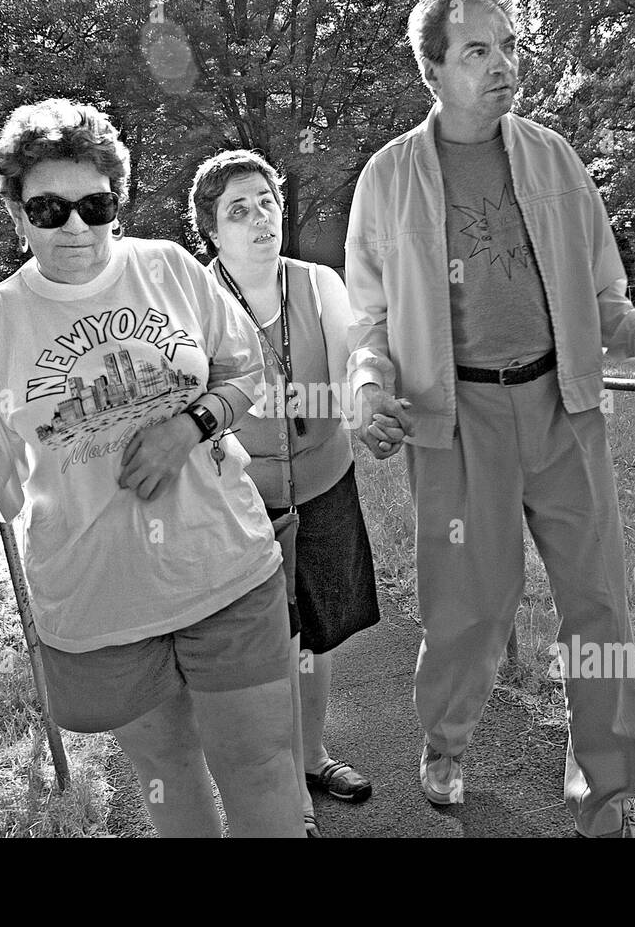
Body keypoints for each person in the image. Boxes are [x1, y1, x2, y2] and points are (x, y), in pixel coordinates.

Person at [344, 0, 635, 837]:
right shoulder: (387, 178)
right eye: (478, 51)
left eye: (510, 47)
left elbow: (602, 296)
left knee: (601, 608)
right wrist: (369, 387)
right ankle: (445, 740)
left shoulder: (555, 158)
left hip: (564, 408)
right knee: (469, 613)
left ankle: (609, 796)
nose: (504, 67)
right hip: (455, 423)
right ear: (432, 71)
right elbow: (367, 320)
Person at [0, 99, 303, 837]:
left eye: (94, 204)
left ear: (117, 204)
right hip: (101, 601)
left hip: (224, 567)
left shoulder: (169, 269)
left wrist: (190, 424)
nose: (75, 226)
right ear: (17, 214)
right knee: (169, 779)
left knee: (262, 766)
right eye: (48, 209)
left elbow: (245, 369)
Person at [188, 150, 382, 836]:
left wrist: (366, 402)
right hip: (244, 502)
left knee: (315, 639)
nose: (259, 217)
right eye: (237, 210)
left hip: (326, 484)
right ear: (211, 231)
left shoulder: (317, 282)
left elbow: (356, 349)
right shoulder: (196, 303)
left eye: (266, 201)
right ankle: (281, 797)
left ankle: (313, 756)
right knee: (268, 647)